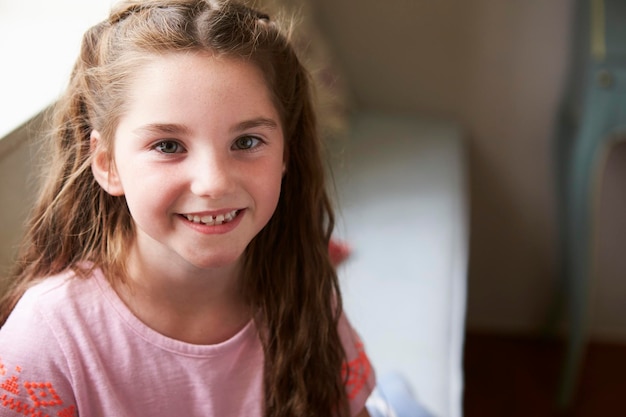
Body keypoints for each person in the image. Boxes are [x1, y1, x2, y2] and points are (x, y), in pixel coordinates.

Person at [0, 1, 376, 416]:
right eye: (168, 146)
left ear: (286, 153)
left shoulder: (300, 291)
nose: (214, 182)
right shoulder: (46, 339)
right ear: (107, 164)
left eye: (247, 142)